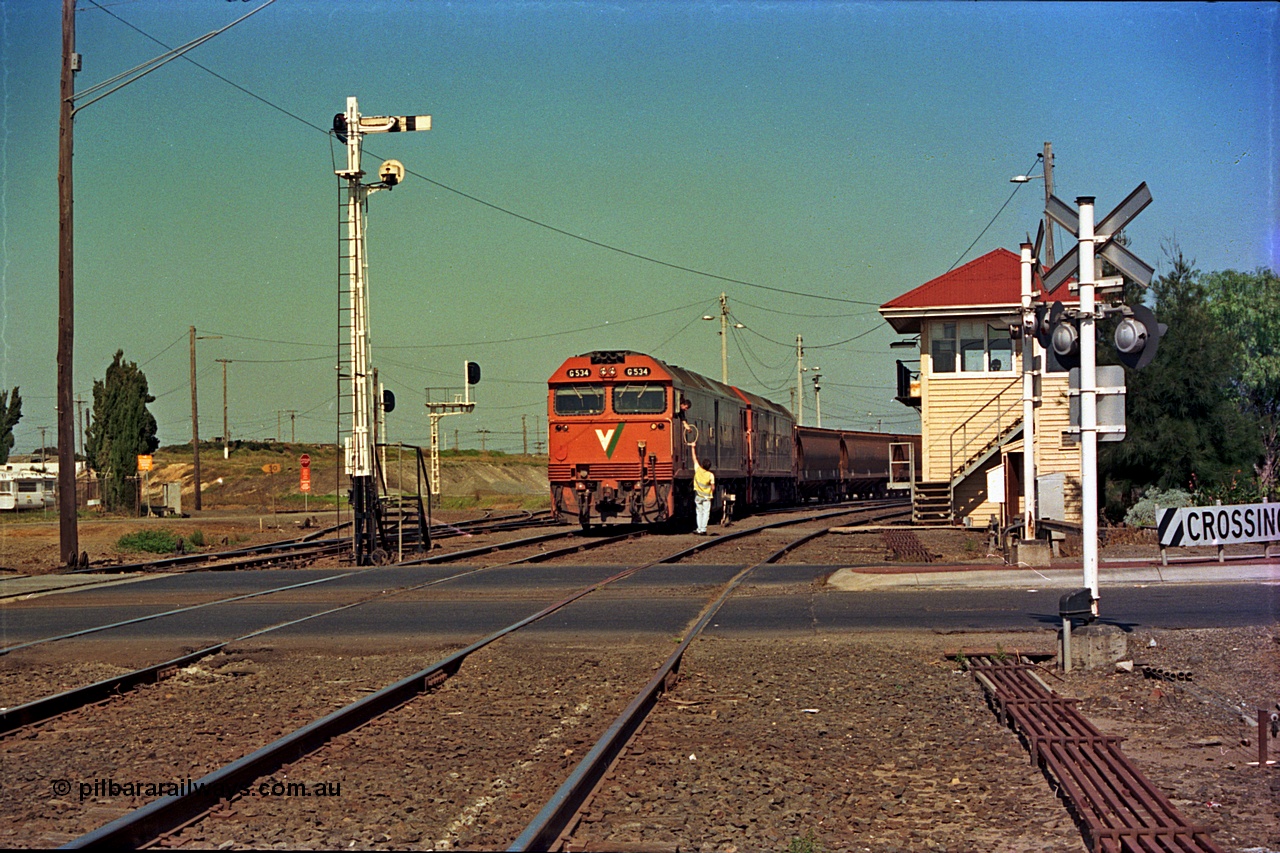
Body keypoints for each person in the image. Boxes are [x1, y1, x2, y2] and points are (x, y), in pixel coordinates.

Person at [691, 442, 715, 535]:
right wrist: (710, 493)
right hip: (706, 497)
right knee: (706, 513)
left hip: (698, 496)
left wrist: (693, 447)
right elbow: (713, 487)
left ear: (702, 465)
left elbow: (694, 458)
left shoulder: (698, 470)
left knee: (699, 512)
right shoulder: (710, 475)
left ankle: (699, 529)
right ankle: (703, 529)